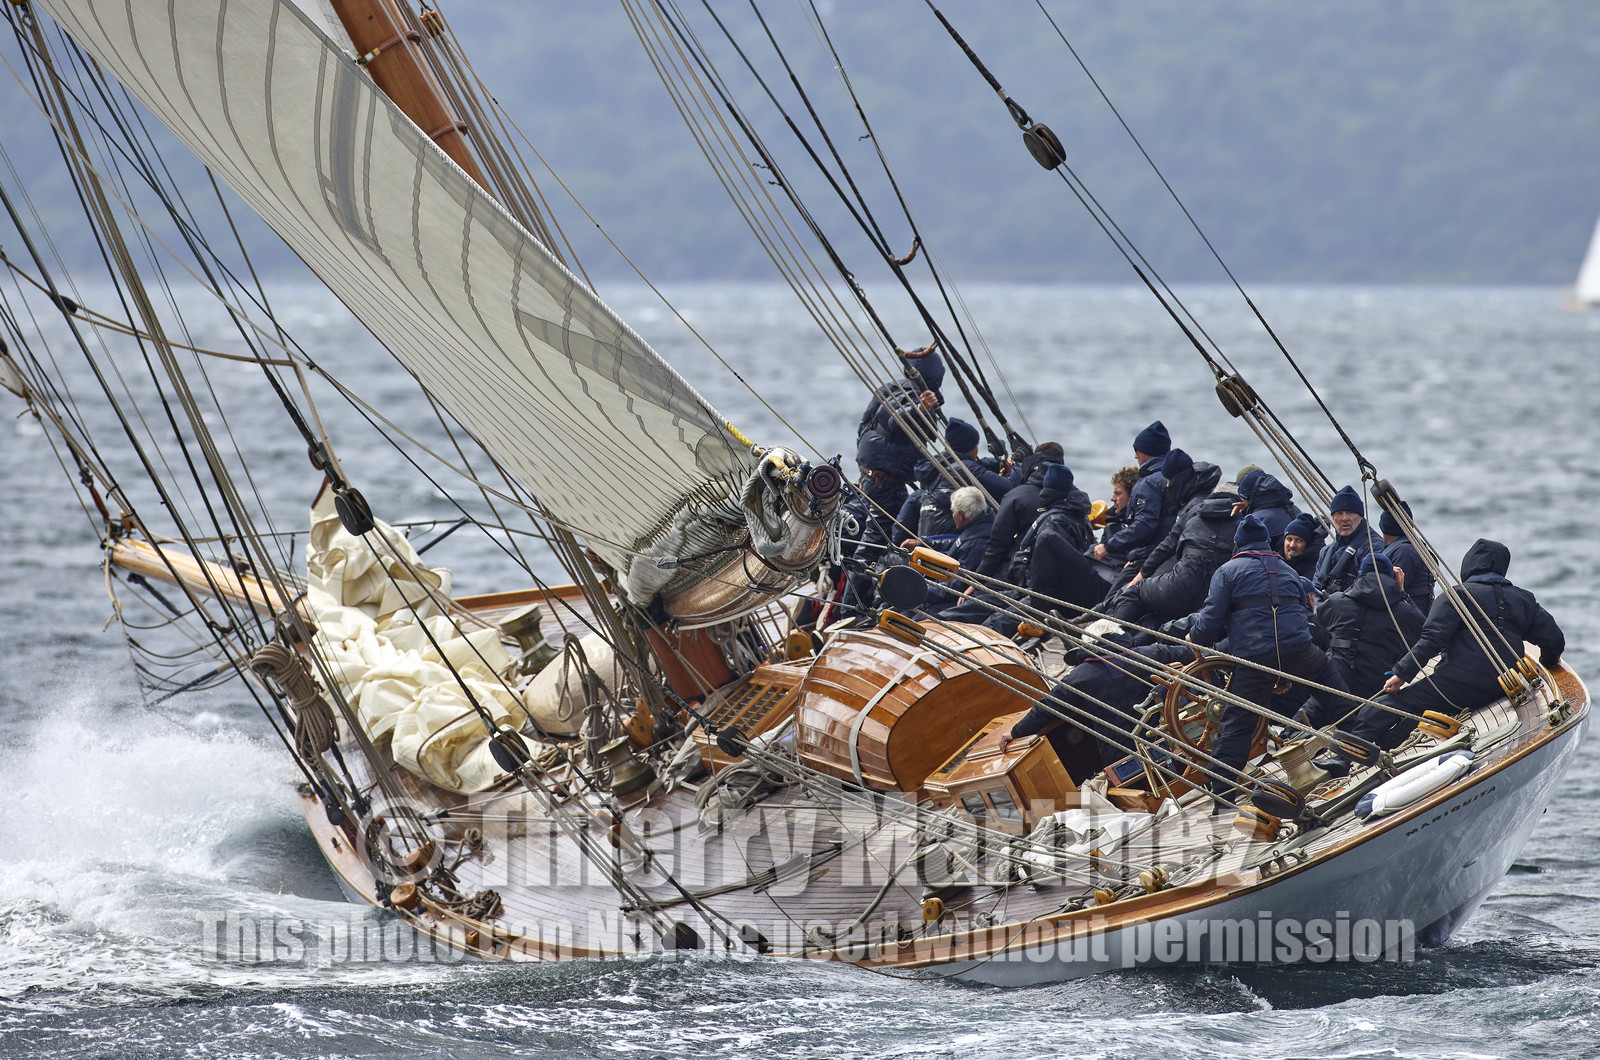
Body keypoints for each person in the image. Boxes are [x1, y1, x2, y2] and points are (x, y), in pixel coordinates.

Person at [1330, 539, 1565, 756]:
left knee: (1388, 704)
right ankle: (1388, 742)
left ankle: (1343, 757)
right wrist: (1547, 664)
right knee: (1418, 705)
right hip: (1502, 687)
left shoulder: (1457, 595)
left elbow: (1431, 640)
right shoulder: (1524, 599)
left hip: (1456, 687)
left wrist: (1401, 674)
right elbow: (1554, 641)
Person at [1187, 515, 1351, 792]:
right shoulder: (1288, 572)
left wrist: (1194, 636)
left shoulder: (1226, 572)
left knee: (1238, 723)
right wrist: (1284, 671)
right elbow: (1303, 613)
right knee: (1336, 694)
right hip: (1300, 651)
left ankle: (1222, 788)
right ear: (1267, 543)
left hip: (1255, 661)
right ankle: (1357, 745)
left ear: (1237, 544)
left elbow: (1210, 624)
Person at [1109, 461, 1235, 626]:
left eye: (1168, 482)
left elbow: (1168, 543)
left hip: (1183, 580)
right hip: (1210, 589)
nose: (1167, 488)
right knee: (1159, 618)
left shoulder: (1194, 508)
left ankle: (1108, 638)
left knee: (1132, 592)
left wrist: (1142, 574)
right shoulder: (1236, 517)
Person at [1316, 552, 1425, 701]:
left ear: (1361, 575)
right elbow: (1424, 632)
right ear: (1392, 577)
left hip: (1334, 681)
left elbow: (1318, 625)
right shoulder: (1403, 612)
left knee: (1309, 712)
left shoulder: (1337, 602)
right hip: (1376, 689)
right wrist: (1402, 592)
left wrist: (1355, 587)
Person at [976, 442, 1064, 579]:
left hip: (1023, 577)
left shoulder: (1016, 497)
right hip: (1064, 579)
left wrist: (976, 581)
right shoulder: (1077, 498)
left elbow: (997, 547)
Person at [1094, 421, 1171, 570]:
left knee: (1117, 594)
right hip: (1167, 553)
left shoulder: (1149, 483)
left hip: (1149, 556)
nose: (1135, 456)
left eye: (1137, 450)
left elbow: (1145, 524)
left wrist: (1109, 546)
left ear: (1147, 452)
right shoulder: (1170, 477)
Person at [924, 486, 993, 615]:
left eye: (953, 512)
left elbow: (955, 587)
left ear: (960, 515)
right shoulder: (982, 528)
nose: (952, 515)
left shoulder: (974, 543)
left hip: (952, 600)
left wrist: (920, 589)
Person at [1313, 486, 1376, 597]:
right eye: (1339, 513)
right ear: (1333, 517)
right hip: (1327, 610)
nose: (1345, 518)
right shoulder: (1326, 552)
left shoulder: (1373, 547)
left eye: (1350, 512)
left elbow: (1364, 588)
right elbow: (1315, 589)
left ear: (1361, 516)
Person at [1379, 502, 1435, 614]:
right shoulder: (1411, 547)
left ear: (1386, 529)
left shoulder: (1404, 552)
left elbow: (1391, 589)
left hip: (1410, 617)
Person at [942, 418, 1017, 501]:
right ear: (971, 447)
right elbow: (1008, 487)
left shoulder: (940, 462)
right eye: (976, 444)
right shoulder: (968, 469)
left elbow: (979, 463)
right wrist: (1014, 469)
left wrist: (999, 464)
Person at [1233, 468, 1300, 551]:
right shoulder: (1294, 509)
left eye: (1242, 498)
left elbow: (1240, 553)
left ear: (1249, 498)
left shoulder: (1257, 520)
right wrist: (1246, 511)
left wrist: (1243, 516)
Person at [1281, 512, 1324, 580]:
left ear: (1307, 544)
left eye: (1299, 540)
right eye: (1289, 539)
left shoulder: (1313, 571)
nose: (1292, 545)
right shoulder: (1276, 563)